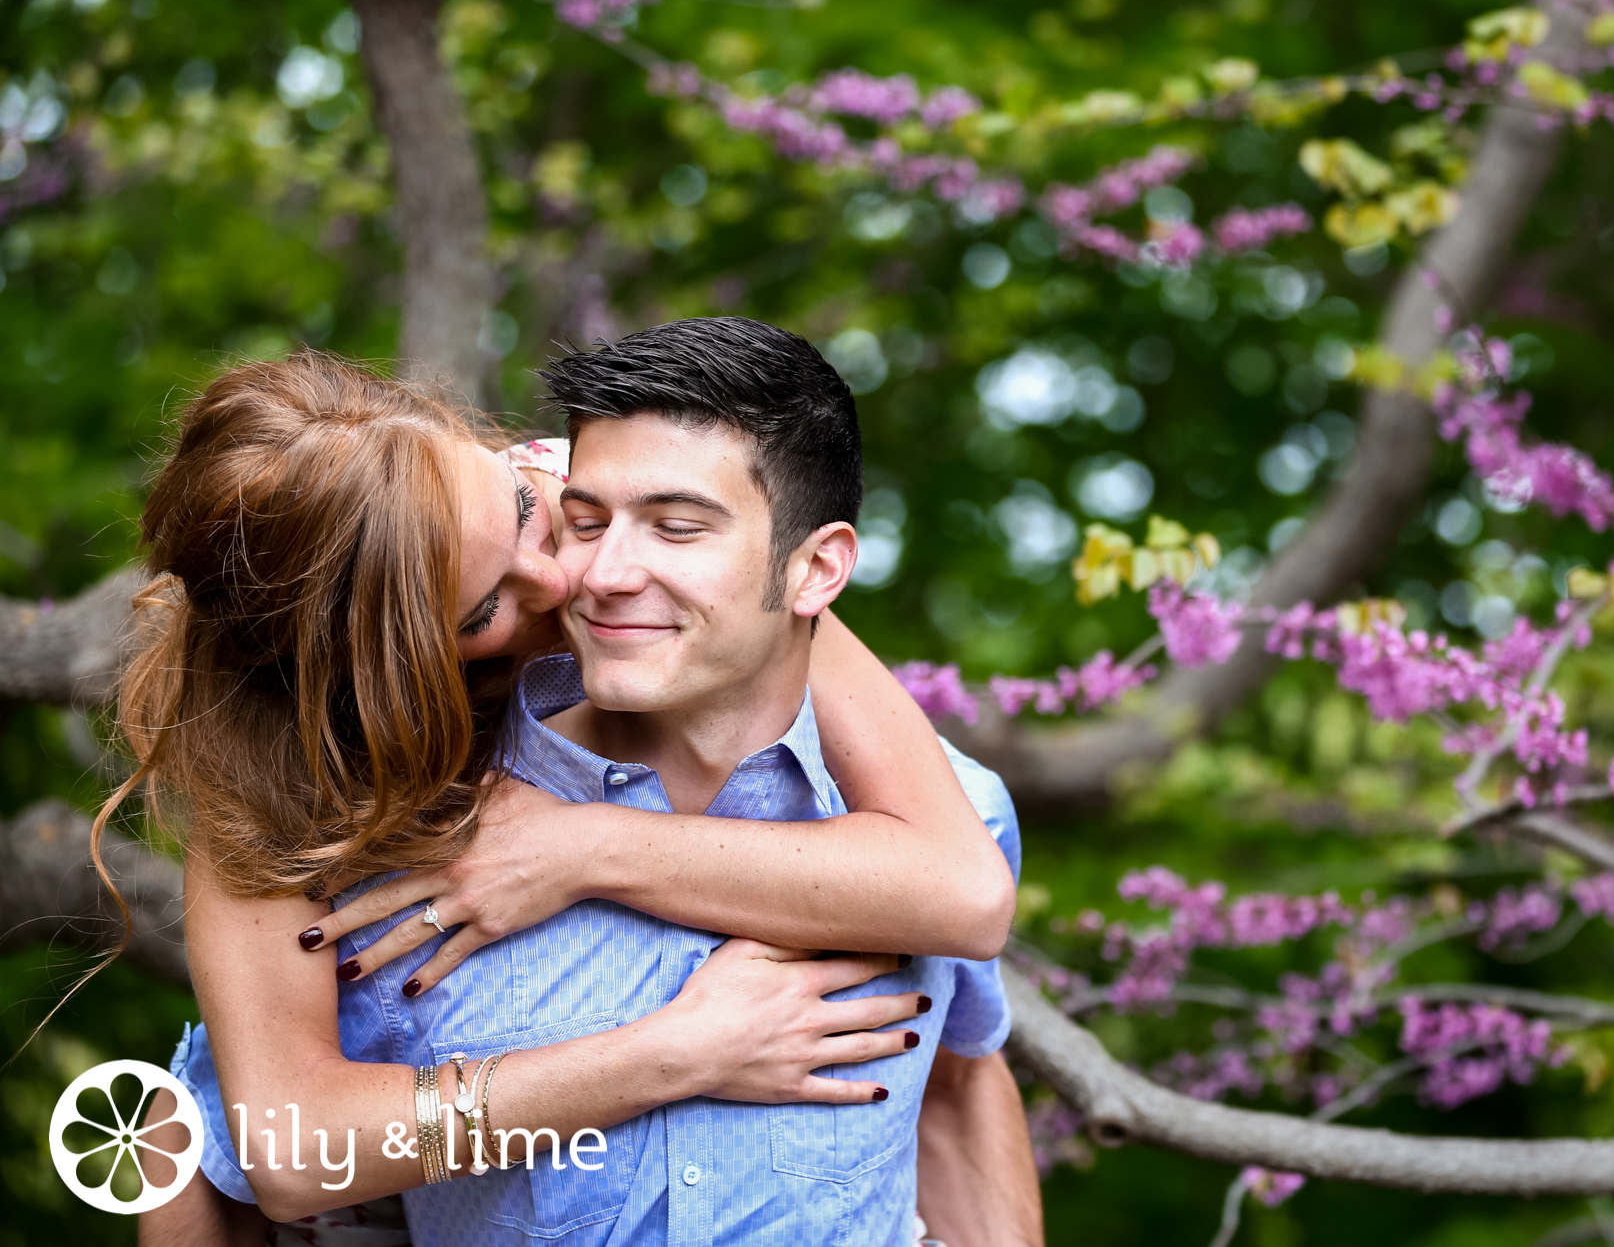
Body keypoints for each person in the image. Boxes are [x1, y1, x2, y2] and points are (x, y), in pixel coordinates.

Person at [106, 356, 1026, 1244]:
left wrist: (585, 849)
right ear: (391, 673)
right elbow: (283, 1149)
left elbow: (961, 899)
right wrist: (678, 1052)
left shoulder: (618, 510)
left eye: (529, 513)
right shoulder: (292, 795)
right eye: (478, 612)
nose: (568, 578)